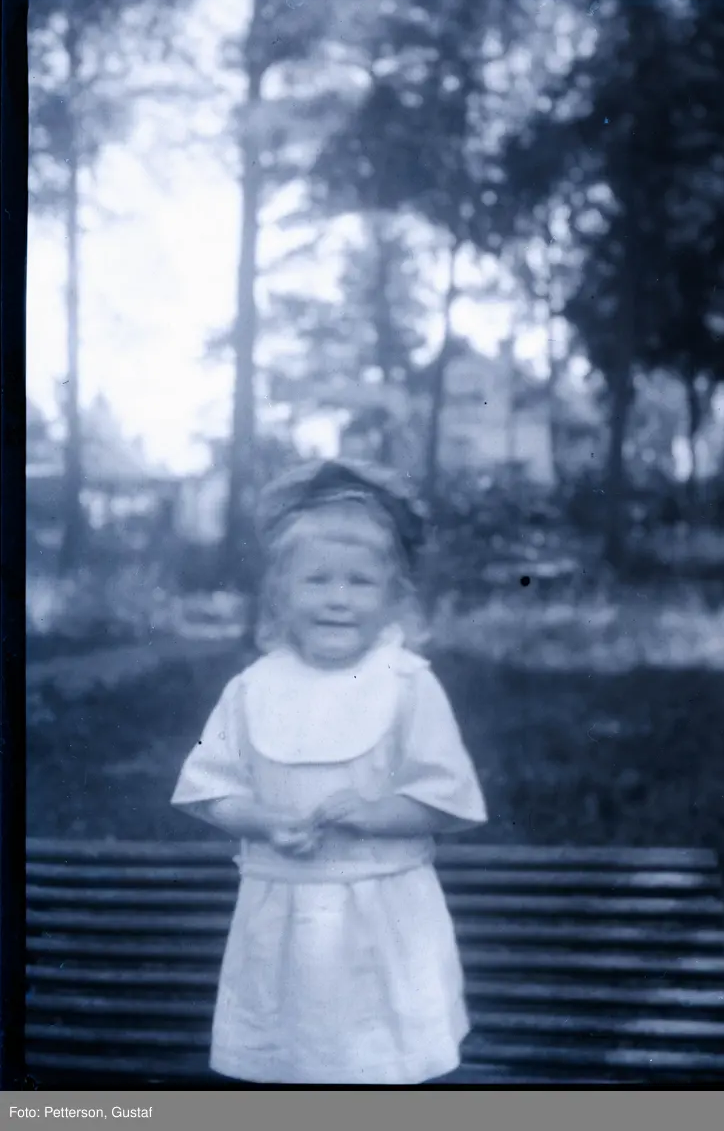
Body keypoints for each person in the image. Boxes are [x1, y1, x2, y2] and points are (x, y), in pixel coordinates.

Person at [171, 460, 487, 1086]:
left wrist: (377, 813)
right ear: (281, 595)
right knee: (291, 1058)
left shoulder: (407, 685)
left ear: (394, 598)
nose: (338, 599)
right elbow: (210, 787)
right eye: (316, 580)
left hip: (383, 914)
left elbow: (446, 796)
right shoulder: (253, 688)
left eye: (360, 582)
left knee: (381, 1059)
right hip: (281, 918)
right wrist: (261, 819)